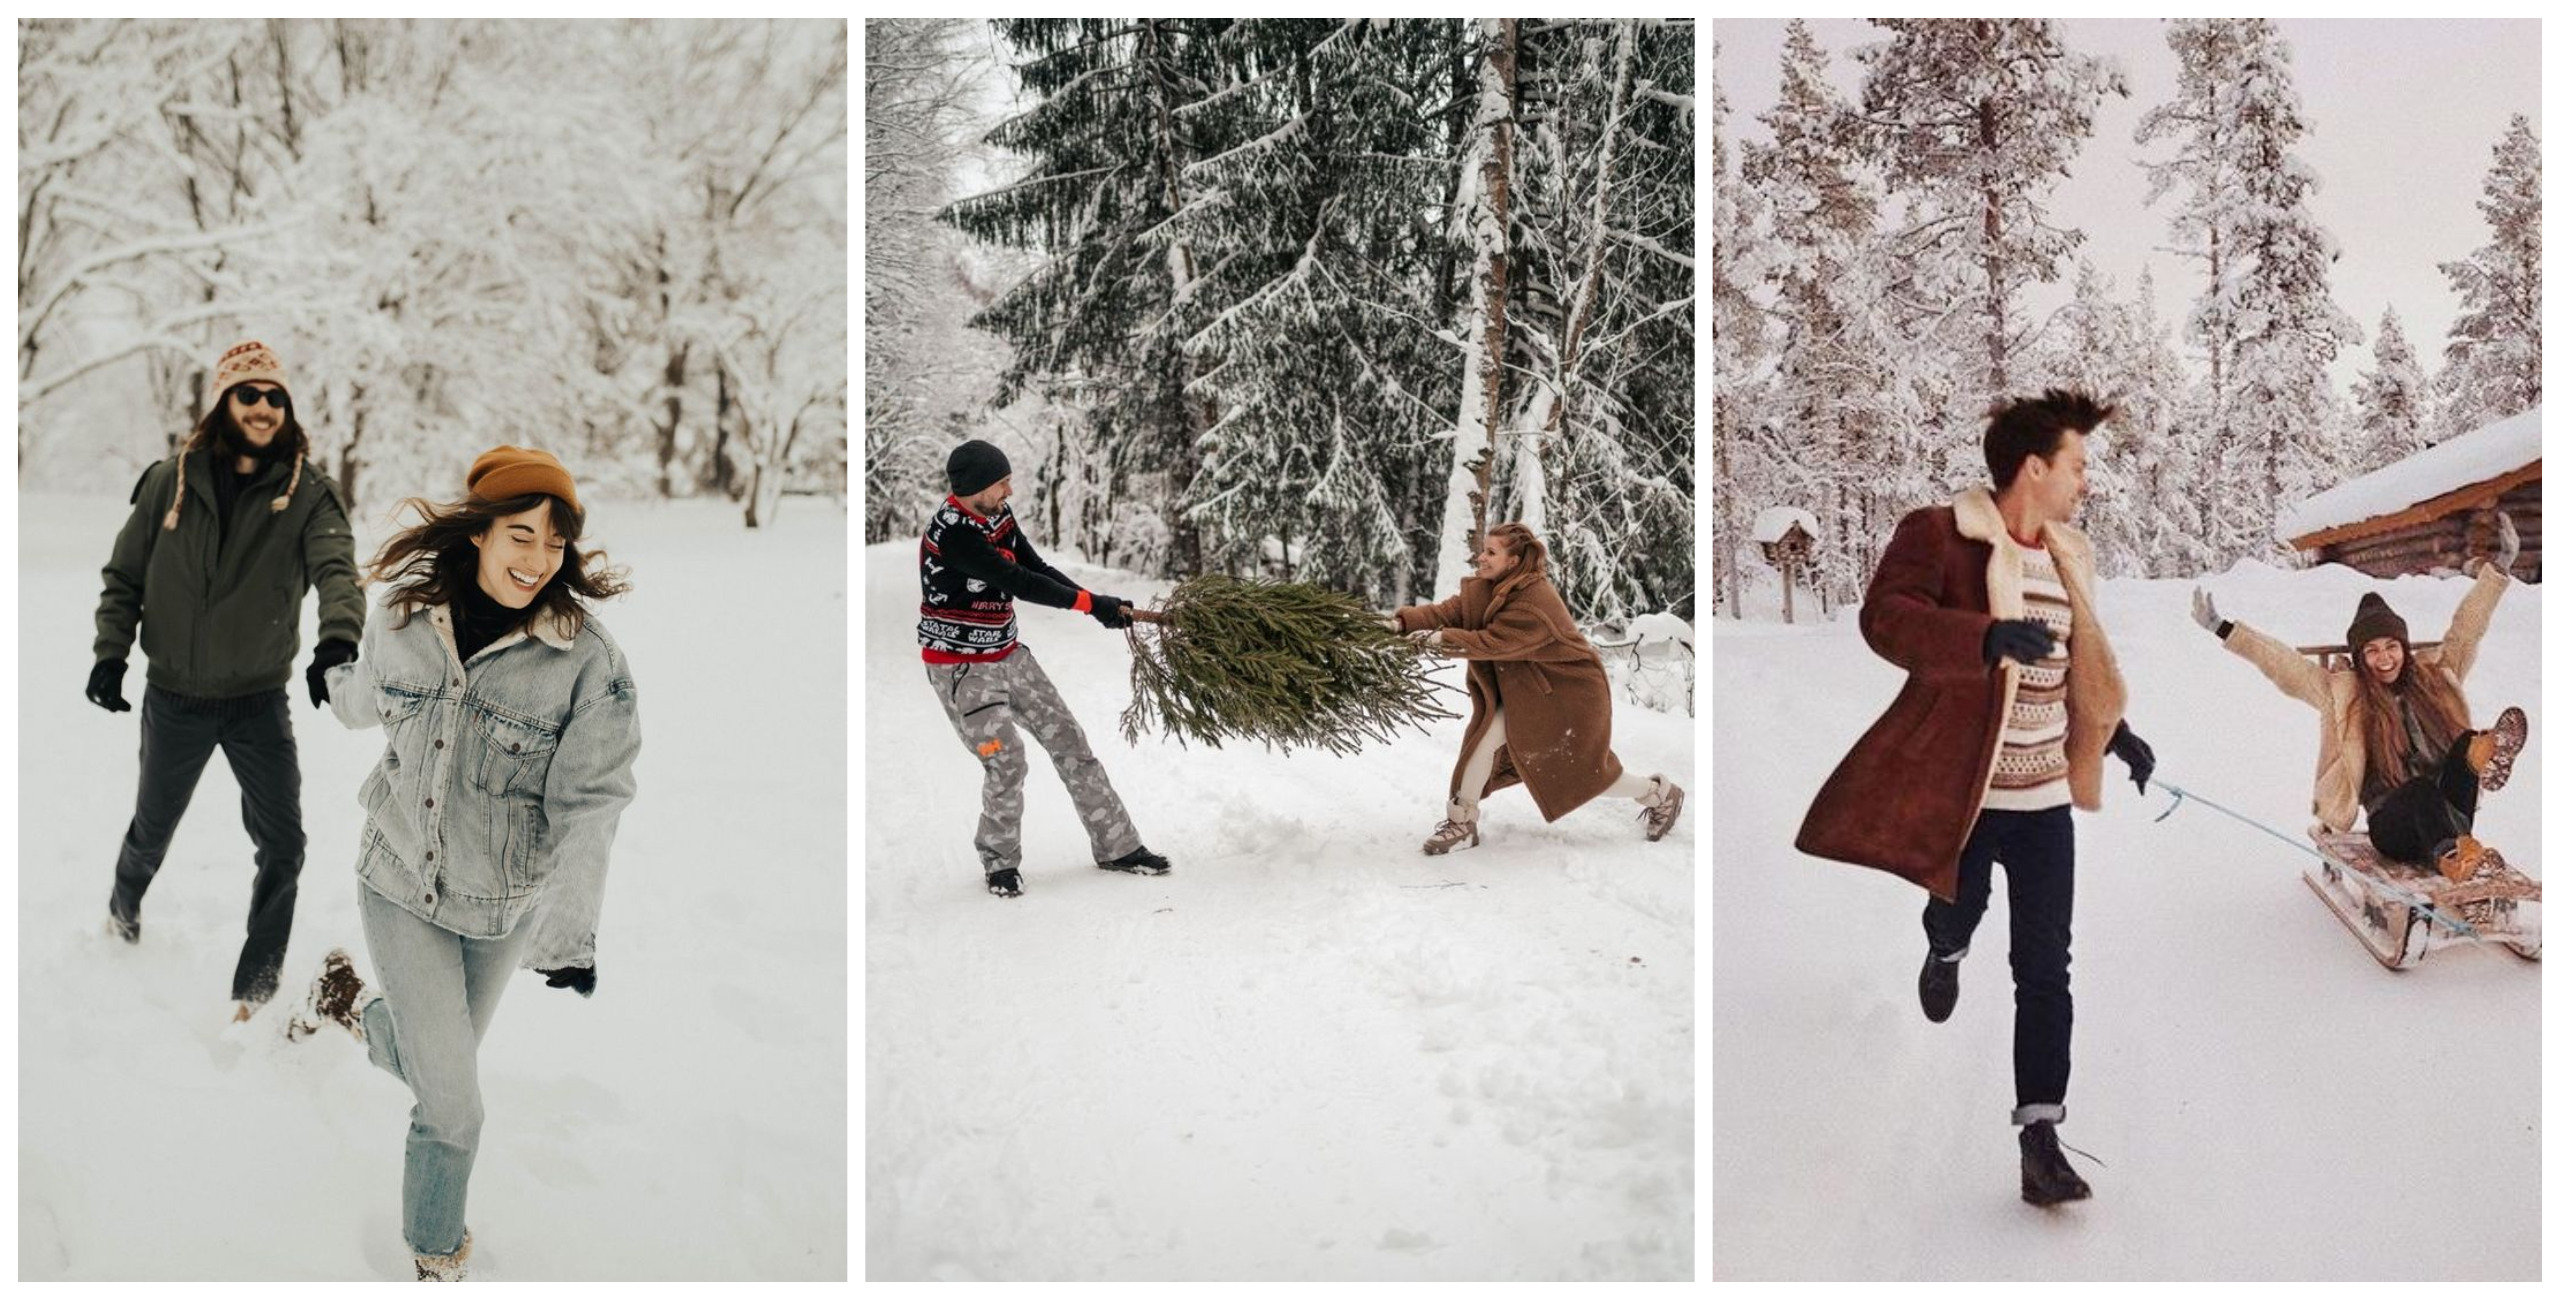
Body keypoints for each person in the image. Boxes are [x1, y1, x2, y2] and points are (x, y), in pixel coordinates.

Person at [287, 446, 641, 1282]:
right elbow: (366, 701)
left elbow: (591, 803)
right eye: (521, 534)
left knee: (430, 1063)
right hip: (399, 880)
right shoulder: (405, 619)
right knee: (452, 1109)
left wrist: (569, 935)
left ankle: (345, 1001)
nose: (537, 559)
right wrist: (332, 674)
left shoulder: (586, 662)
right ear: (479, 533)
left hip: (501, 907)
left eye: (555, 542)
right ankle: (436, 1256)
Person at [1796, 389, 2155, 1208]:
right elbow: (1885, 618)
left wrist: (2113, 731)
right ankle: (1945, 946)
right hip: (1962, 788)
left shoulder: (2070, 553)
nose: (2085, 482)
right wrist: (1982, 638)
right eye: (2078, 465)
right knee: (1958, 910)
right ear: (2035, 467)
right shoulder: (1941, 533)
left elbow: (2074, 663)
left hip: (2045, 801)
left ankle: (2040, 1137)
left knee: (2046, 968)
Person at [90, 339, 365, 1018]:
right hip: (175, 696)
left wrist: (337, 641)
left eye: (276, 396)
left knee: (284, 845)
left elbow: (337, 572)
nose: (264, 407)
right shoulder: (170, 481)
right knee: (152, 830)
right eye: (249, 394)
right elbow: (125, 575)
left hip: (256, 703)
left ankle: (256, 987)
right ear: (224, 402)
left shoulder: (309, 492)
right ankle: (121, 916)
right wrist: (109, 653)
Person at [2193, 511, 2527, 881]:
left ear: (2403, 647)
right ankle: (2455, 859)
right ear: (2360, 658)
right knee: (2419, 791)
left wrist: (2498, 570)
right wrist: (2225, 629)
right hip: (2394, 826)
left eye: (2391, 647)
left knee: (2467, 741)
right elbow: (2285, 665)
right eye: (2371, 651)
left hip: (2451, 812)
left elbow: (2465, 632)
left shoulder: (2435, 679)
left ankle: (2488, 759)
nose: (2383, 658)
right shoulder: (2345, 695)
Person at [920, 438, 1170, 898]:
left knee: (1070, 741)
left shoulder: (997, 517)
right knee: (1006, 760)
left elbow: (1036, 565)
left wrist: (1098, 606)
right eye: (1001, 484)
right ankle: (1000, 864)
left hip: (1009, 655)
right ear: (974, 487)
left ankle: (1118, 847)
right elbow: (1018, 581)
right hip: (963, 670)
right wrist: (1092, 603)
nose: (1009, 492)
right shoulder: (953, 532)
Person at [1386, 522, 1685, 854]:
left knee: (1583, 774)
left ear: (1513, 561)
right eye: (1483, 550)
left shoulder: (1534, 600)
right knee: (1483, 743)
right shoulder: (1489, 587)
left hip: (1569, 695)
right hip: (1529, 692)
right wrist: (1402, 623)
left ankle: (1659, 793)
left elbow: (1493, 642)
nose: (1481, 558)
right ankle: (1462, 822)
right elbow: (1448, 612)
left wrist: (1442, 639)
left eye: (1491, 552)